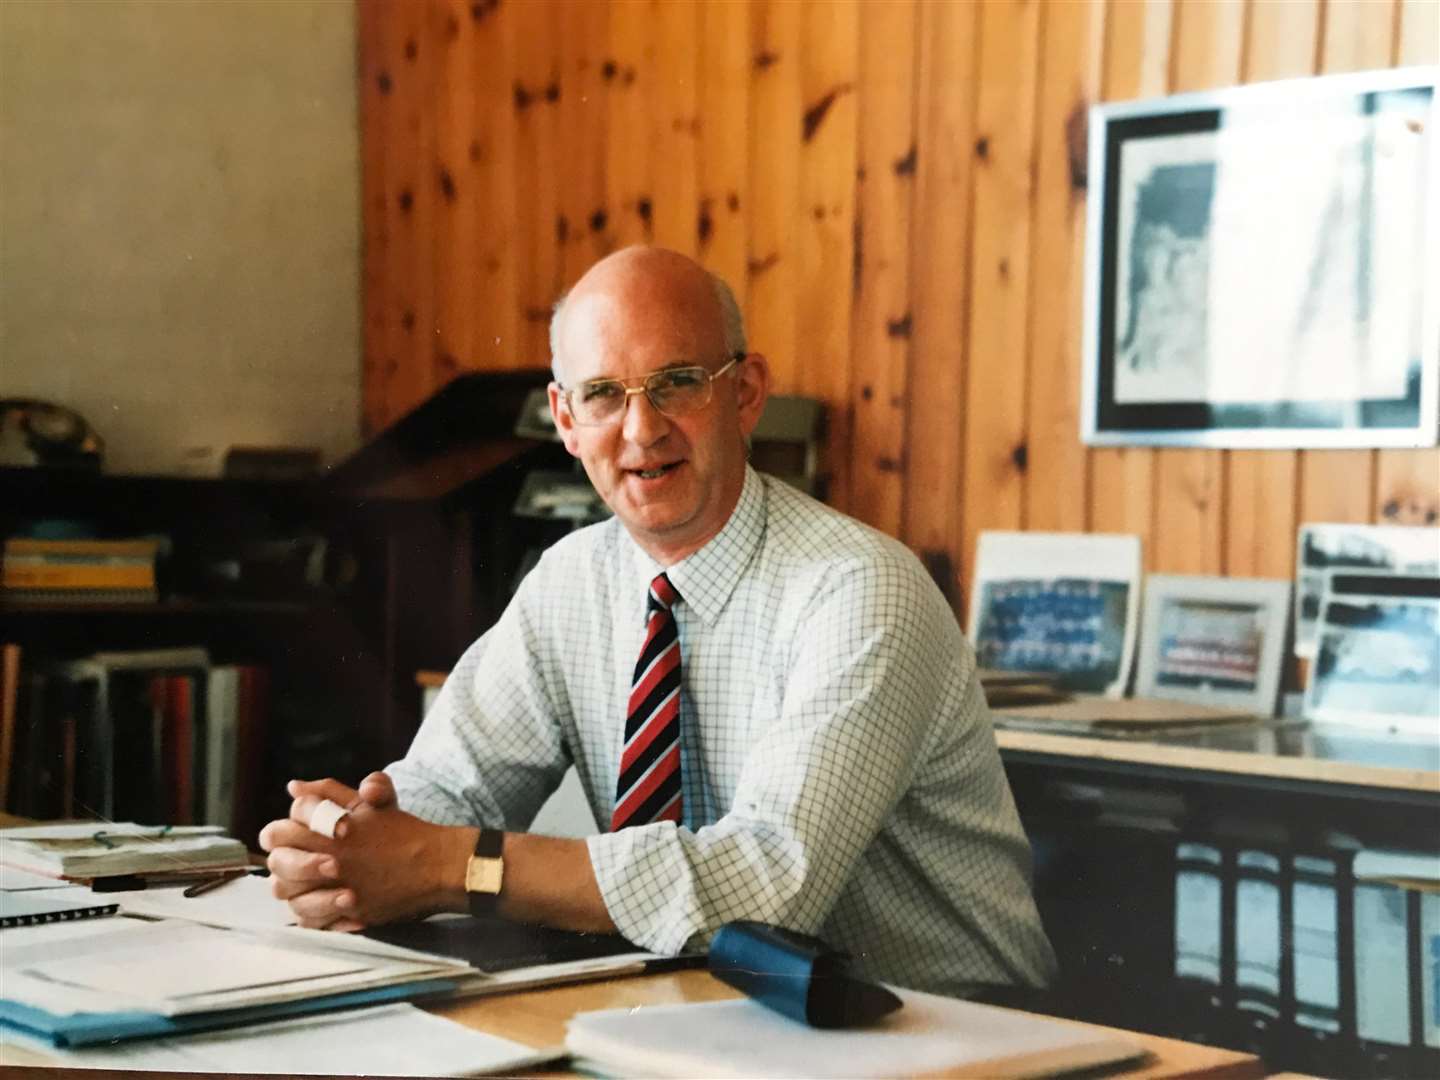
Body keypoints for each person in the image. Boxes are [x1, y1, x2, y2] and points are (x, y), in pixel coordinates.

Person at [260, 246, 1057, 997]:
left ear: (745, 394)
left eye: (677, 382)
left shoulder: (861, 589)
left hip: (950, 1029)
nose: (641, 431)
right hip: (706, 1017)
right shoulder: (570, 581)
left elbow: (765, 885)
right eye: (603, 394)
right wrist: (351, 844)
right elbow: (452, 786)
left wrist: (457, 867)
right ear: (565, 422)